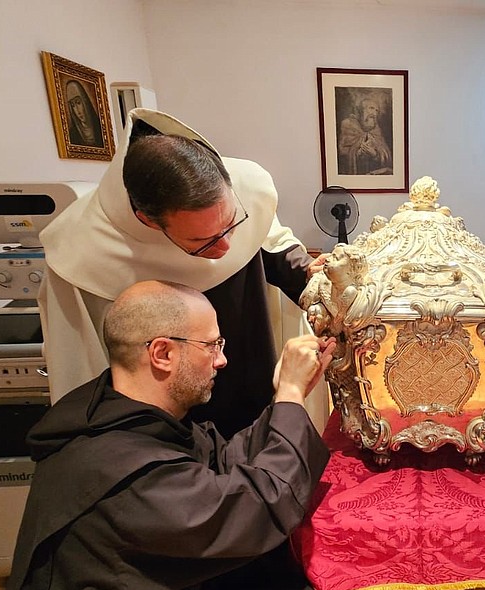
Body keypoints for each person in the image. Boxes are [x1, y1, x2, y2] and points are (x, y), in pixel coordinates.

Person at [0, 280, 342, 590]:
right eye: (212, 345)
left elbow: (220, 463)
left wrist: (283, 398)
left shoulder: (122, 413)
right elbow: (257, 510)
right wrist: (291, 397)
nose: (221, 360)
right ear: (162, 353)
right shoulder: (117, 469)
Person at [38, 108, 323, 438]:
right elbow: (79, 362)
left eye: (232, 224)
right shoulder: (81, 248)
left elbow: (271, 245)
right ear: (149, 221)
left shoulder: (245, 187)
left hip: (250, 357)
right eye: (203, 243)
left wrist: (311, 275)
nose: (227, 248)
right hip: (162, 420)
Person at [337, 94, 392, 175]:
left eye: (377, 110)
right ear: (361, 110)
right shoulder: (348, 125)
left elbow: (387, 156)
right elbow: (341, 154)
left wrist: (375, 154)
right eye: (371, 108)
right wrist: (358, 152)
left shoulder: (377, 130)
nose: (374, 113)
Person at [64, 79, 103, 147]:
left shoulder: (101, 128)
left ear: (85, 101)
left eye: (78, 103)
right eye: (73, 106)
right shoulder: (72, 135)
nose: (77, 110)